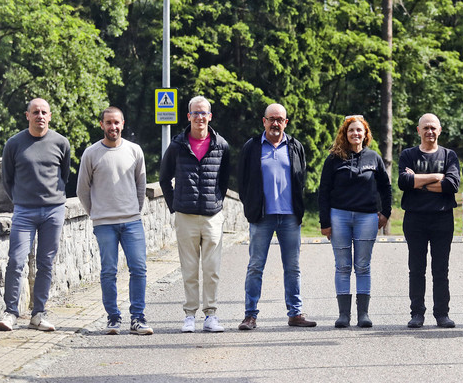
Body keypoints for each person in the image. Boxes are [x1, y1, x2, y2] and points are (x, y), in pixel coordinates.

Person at [236, 103, 316, 330]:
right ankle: (250, 315)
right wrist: (251, 206)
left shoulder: (295, 146)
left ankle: (295, 313)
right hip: (262, 217)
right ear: (264, 121)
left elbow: (301, 178)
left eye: (280, 119)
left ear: (286, 122)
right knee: (255, 267)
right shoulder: (252, 147)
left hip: (289, 217)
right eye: (271, 119)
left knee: (293, 267)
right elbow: (242, 181)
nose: (275, 123)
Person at [0, 98, 71, 332]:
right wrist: (21, 199)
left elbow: (64, 175)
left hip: (53, 211)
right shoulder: (14, 144)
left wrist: (51, 200)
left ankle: (38, 313)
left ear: (50, 116)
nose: (40, 116)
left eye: (44, 112)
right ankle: (10, 313)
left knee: (45, 263)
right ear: (27, 115)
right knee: (16, 261)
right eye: (35, 112)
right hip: (24, 212)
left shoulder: (61, 142)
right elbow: (7, 179)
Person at [77, 106, 153, 335]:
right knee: (108, 271)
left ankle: (138, 318)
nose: (113, 127)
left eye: (117, 122)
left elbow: (141, 185)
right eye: (108, 123)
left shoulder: (134, 150)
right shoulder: (91, 153)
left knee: (139, 268)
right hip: (104, 224)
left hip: (132, 221)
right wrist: (97, 213)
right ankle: (113, 318)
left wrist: (133, 210)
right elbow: (82, 190)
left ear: (123, 123)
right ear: (101, 125)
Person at [159, 96, 232, 333]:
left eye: (204, 113)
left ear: (210, 117)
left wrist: (216, 202)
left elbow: (224, 179)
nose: (200, 117)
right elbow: (163, 179)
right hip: (186, 216)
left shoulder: (221, 145)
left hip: (212, 217)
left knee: (212, 270)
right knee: (189, 269)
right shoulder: (177, 145)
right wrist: (175, 206)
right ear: (188, 116)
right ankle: (189, 315)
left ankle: (211, 315)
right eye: (195, 113)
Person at [318, 115, 392, 328]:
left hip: (367, 218)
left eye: (359, 130)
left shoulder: (374, 158)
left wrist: (385, 214)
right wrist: (325, 222)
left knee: (363, 266)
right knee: (342, 266)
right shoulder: (334, 158)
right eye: (351, 130)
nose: (355, 134)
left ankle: (363, 314)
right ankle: (343, 315)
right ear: (345, 134)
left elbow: (385, 188)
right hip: (338, 216)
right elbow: (323, 191)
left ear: (365, 134)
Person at [397, 113, 460, 329]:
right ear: (418, 130)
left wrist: (419, 181)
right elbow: (404, 182)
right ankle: (417, 314)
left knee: (441, 269)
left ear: (440, 130)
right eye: (425, 128)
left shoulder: (449, 155)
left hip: (442, 218)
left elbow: (452, 185)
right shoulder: (408, 154)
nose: (430, 131)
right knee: (416, 268)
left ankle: (442, 314)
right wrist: (437, 177)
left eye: (433, 128)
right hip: (414, 218)